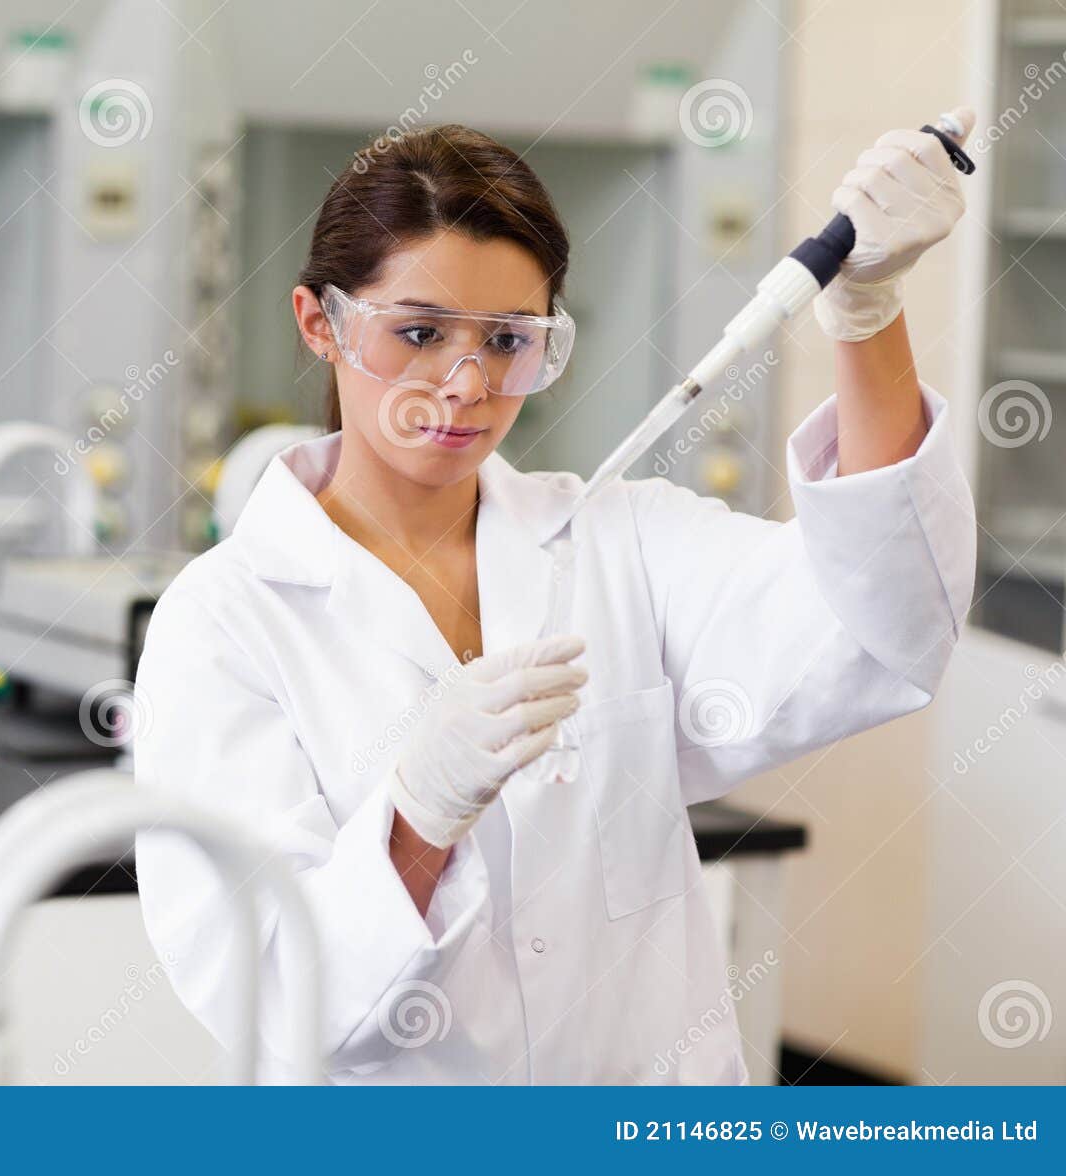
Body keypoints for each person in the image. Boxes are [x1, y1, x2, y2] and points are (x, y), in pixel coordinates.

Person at [133, 120, 977, 1083]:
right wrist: (419, 813)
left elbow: (883, 626)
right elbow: (275, 991)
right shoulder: (226, 622)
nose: (466, 385)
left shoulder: (622, 543)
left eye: (507, 341)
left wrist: (867, 312)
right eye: (418, 333)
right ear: (319, 322)